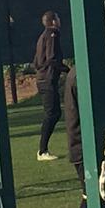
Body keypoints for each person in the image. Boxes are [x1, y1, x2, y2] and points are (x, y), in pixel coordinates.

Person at [33, 10, 67, 160]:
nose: (59, 20)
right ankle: (42, 151)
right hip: (47, 80)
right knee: (52, 113)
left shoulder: (42, 36)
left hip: (43, 79)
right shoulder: (53, 34)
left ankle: (43, 149)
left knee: (54, 113)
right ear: (53, 21)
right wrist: (68, 70)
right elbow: (53, 58)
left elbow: (37, 61)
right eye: (58, 18)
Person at [64, 63, 88, 208]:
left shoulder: (77, 73)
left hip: (81, 143)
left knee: (93, 193)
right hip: (81, 145)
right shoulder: (80, 76)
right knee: (91, 193)